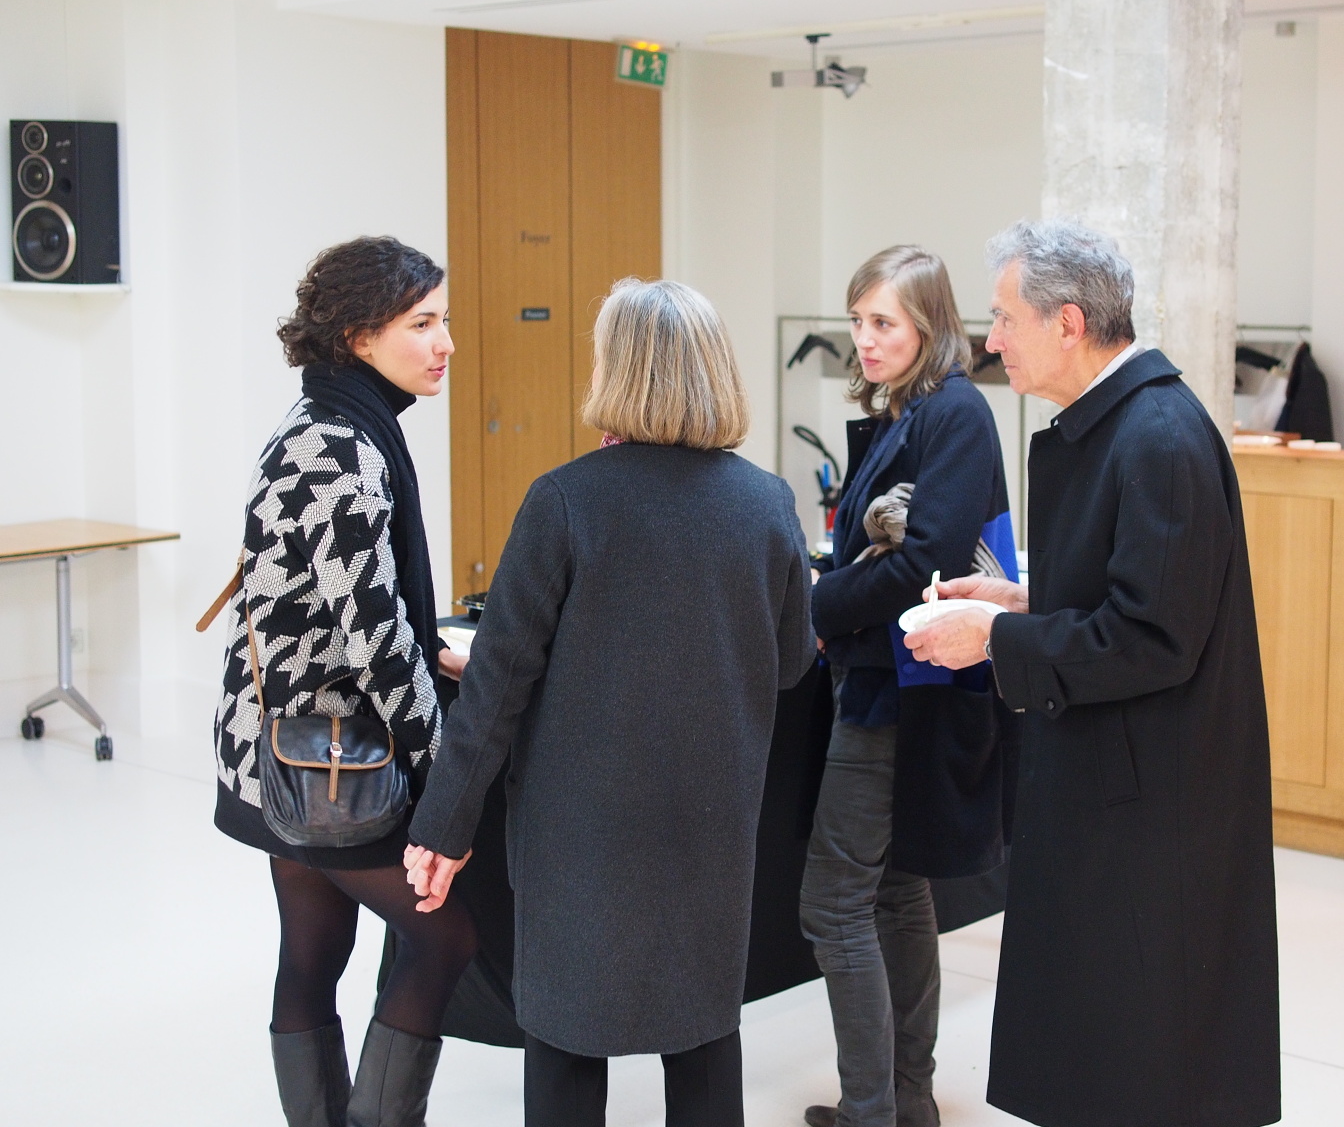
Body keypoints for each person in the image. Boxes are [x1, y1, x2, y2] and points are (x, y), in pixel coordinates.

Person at [403, 278, 816, 1127]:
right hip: (709, 826)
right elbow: (787, 666)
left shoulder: (566, 500)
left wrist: (442, 829)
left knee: (565, 1041)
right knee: (704, 1039)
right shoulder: (768, 503)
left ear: (618, 371)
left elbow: (497, 687)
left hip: (579, 835)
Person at [906, 220, 1281, 1127]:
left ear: (1068, 322)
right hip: (1112, 782)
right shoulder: (1119, 427)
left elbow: (1152, 636)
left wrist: (994, 641)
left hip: (1150, 807)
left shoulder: (1157, 437)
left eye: (1005, 318)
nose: (991, 339)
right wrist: (1020, 601)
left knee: (1139, 1061)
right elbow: (1131, 590)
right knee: (1098, 1050)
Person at [210, 237, 477, 1127]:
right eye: (423, 323)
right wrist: (446, 772)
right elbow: (374, 642)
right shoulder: (339, 447)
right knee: (443, 938)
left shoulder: (323, 420)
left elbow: (350, 607)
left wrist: (429, 649)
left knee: (313, 950)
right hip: (329, 758)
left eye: (444, 321)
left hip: (283, 742)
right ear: (360, 335)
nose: (444, 343)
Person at [802, 246, 1016, 1127]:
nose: (865, 339)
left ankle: (873, 1112)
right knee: (892, 893)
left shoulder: (954, 411)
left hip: (900, 691)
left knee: (834, 904)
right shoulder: (912, 410)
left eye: (883, 322)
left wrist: (817, 603)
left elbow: (925, 563)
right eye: (857, 321)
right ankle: (902, 1104)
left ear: (929, 325)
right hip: (892, 681)